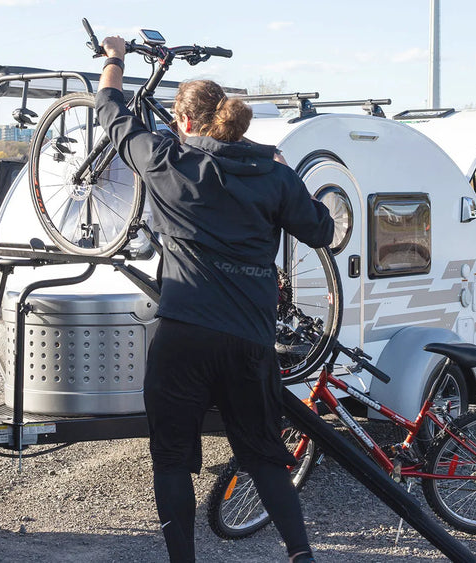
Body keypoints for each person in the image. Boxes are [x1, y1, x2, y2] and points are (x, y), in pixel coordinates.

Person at [95, 36, 334, 563]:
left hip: (183, 333)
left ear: (182, 120)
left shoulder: (165, 160)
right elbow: (322, 230)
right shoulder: (272, 173)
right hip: (248, 341)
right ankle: (301, 555)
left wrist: (115, 58)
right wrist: (289, 179)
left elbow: (112, 113)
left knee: (173, 461)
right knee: (265, 456)